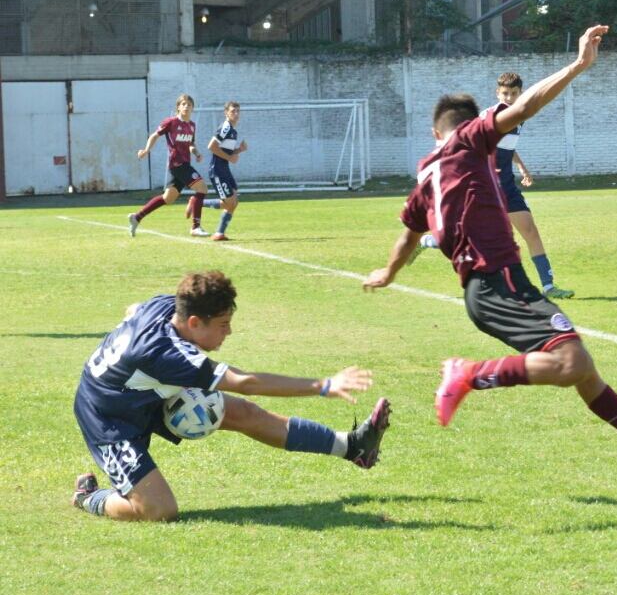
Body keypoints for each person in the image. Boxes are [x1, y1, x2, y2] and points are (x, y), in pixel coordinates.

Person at [363, 25, 617, 467]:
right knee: (570, 362)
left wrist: (389, 272)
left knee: (583, 368)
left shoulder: (425, 176)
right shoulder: (468, 140)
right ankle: (468, 375)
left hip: (491, 288)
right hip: (497, 283)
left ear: (432, 132)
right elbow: (522, 107)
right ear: (469, 126)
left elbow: (407, 234)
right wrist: (577, 65)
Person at [72, 270, 391, 522]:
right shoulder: (169, 356)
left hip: (142, 389)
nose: (229, 332)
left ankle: (352, 447)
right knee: (158, 510)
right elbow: (246, 382)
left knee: (244, 414)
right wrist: (323, 385)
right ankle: (89, 497)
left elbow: (135, 308)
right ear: (194, 322)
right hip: (108, 416)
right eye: (223, 325)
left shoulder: (168, 306)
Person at [410, 73, 575, 300]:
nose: (509, 97)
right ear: (498, 93)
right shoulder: (492, 114)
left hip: (506, 185)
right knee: (472, 237)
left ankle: (549, 286)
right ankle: (428, 240)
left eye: (514, 94)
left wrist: (522, 167)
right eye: (505, 93)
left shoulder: (515, 116)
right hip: (484, 186)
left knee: (530, 231)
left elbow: (506, 146)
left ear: (520, 93)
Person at [129, 93, 210, 238]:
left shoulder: (192, 126)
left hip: (184, 164)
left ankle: (137, 217)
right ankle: (195, 227)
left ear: (193, 108)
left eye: (189, 104)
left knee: (168, 198)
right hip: (177, 164)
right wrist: (146, 150)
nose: (186, 106)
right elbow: (155, 135)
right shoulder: (171, 122)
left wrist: (196, 153)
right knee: (202, 188)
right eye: (183, 104)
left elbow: (190, 144)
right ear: (178, 107)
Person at [188, 100, 248, 242]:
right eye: (233, 111)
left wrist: (239, 150)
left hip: (224, 169)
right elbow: (212, 146)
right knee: (229, 203)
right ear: (226, 113)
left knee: (233, 201)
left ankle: (219, 233)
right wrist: (230, 157)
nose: (236, 114)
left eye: (238, 111)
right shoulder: (226, 128)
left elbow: (225, 150)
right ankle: (197, 203)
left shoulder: (233, 131)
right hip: (217, 171)